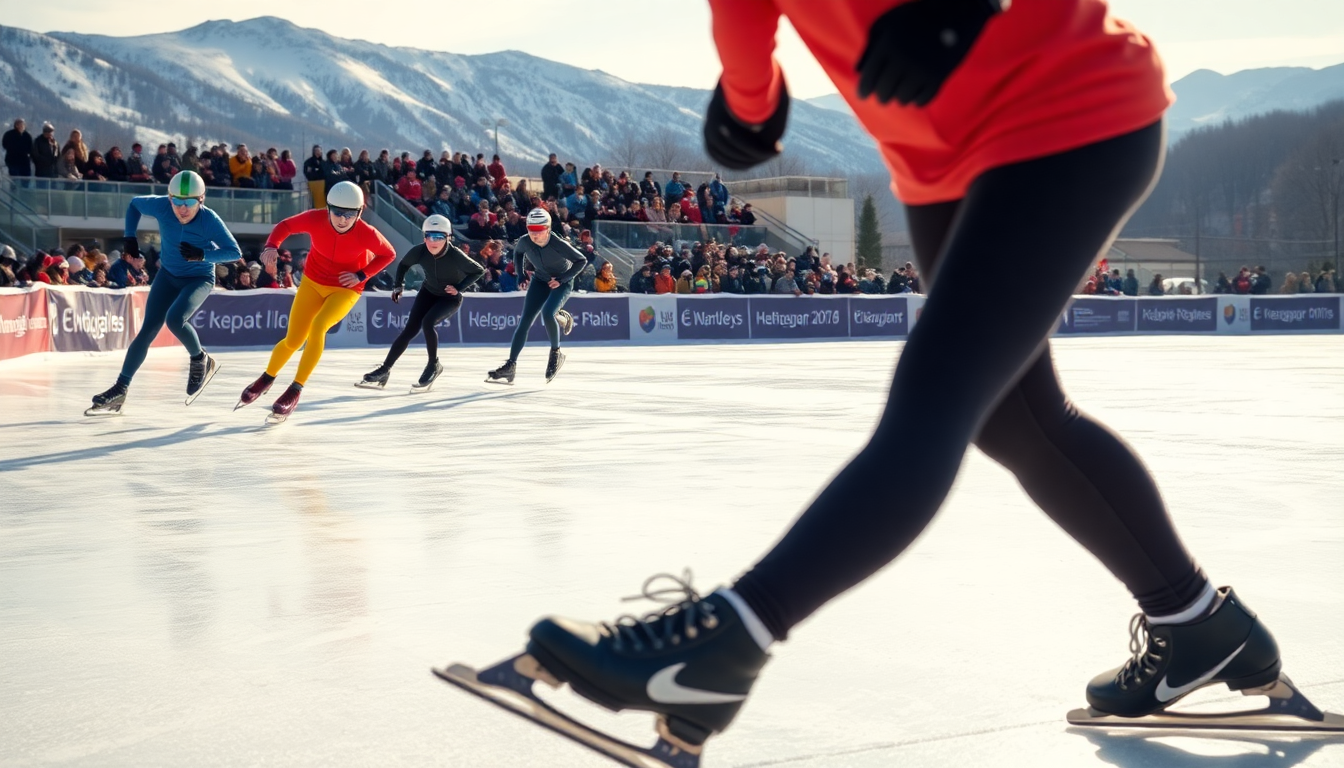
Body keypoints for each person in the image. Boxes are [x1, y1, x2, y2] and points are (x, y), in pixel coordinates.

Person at [451, 0, 1339, 763]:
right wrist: (748, 97)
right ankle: (1200, 625)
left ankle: (723, 646)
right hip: (937, 158)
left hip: (1067, 107)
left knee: (936, 398)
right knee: (1014, 422)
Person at [236, 181, 395, 424]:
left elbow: (388, 254)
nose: (342, 219)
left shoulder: (367, 232)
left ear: (359, 213)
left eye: (349, 214)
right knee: (294, 340)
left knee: (319, 326)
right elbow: (285, 225)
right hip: (312, 283)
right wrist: (271, 246)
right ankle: (267, 378)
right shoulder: (315, 218)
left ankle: (295, 389)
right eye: (337, 212)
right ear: (328, 208)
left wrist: (362, 275)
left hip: (345, 289)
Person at [86, 171, 241, 416]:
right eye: (176, 201)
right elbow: (134, 205)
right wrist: (129, 237)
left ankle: (200, 358)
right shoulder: (162, 206)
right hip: (168, 276)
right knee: (147, 331)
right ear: (169, 198)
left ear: (201, 200)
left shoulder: (209, 220)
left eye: (189, 202)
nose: (182, 208)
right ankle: (120, 388)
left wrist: (203, 255)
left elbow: (234, 251)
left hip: (198, 278)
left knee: (175, 319)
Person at [359, 215, 484, 393]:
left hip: (449, 298)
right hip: (428, 293)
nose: (433, 242)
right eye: (429, 236)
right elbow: (403, 265)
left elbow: (478, 270)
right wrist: (397, 286)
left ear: (448, 238)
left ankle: (434, 365)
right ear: (424, 237)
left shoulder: (455, 255)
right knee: (409, 331)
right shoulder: (420, 251)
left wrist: (459, 287)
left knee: (428, 322)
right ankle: (385, 370)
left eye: (439, 237)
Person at [485, 208, 585, 385]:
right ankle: (510, 366)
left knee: (547, 314)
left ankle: (556, 353)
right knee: (525, 321)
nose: (534, 235)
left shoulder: (558, 243)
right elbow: (517, 253)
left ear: (547, 229)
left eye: (539, 231)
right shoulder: (525, 241)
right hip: (540, 280)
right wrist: (521, 274)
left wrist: (562, 279)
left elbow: (581, 261)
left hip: (561, 282)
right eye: (531, 230)